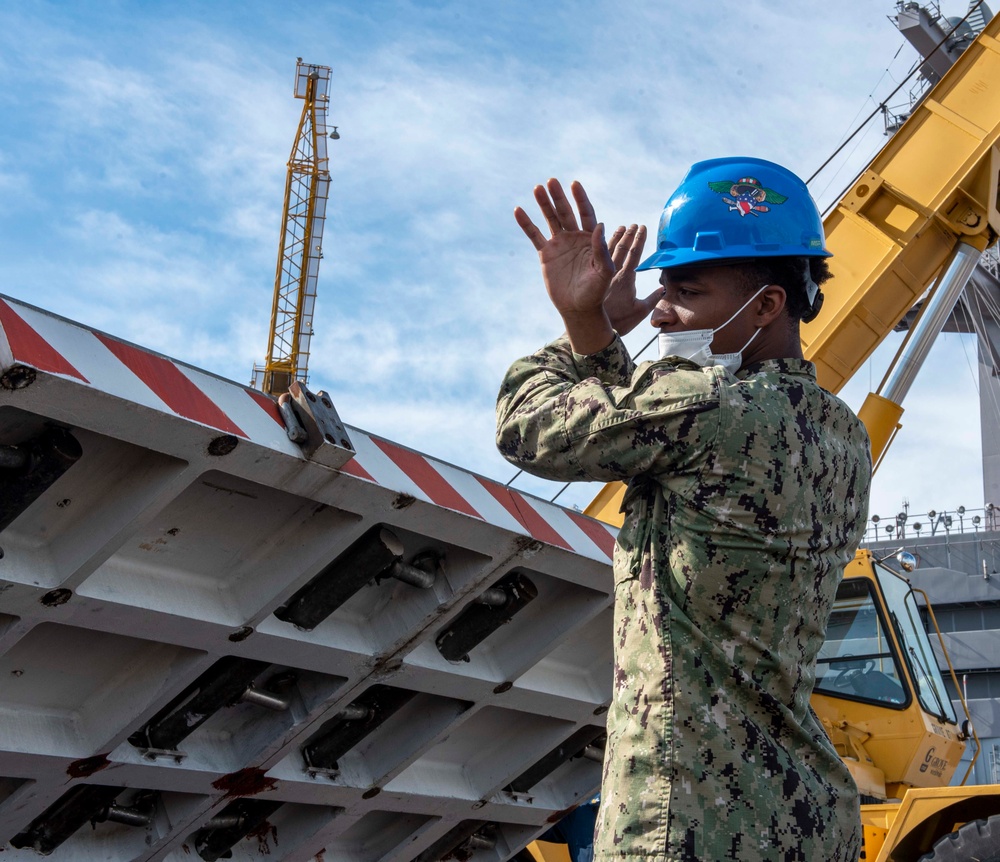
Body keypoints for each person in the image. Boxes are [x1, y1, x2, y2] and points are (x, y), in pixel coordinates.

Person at [496, 157, 872, 862]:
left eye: (686, 289)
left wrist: (583, 325)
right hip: (807, 818)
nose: (659, 307)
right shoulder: (842, 431)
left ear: (765, 306)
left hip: (691, 813)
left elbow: (527, 425)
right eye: (661, 285)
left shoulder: (707, 405)